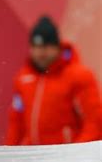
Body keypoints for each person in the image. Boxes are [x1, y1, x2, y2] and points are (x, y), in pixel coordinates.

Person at [6, 16, 101, 145]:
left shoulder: (80, 75)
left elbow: (95, 121)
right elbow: (16, 122)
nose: (40, 52)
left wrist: (76, 155)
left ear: (58, 47)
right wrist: (9, 153)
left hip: (66, 155)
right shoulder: (22, 78)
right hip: (34, 155)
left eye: (46, 47)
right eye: (35, 47)